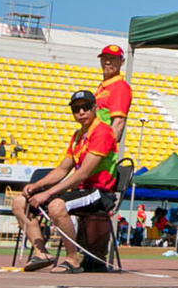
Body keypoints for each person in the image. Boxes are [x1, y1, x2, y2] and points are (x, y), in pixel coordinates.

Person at [8, 90, 121, 272]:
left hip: (99, 192)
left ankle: (72, 259)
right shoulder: (78, 136)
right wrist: (36, 186)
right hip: (80, 191)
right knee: (19, 202)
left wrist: (47, 193)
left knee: (56, 206)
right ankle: (41, 253)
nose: (81, 112)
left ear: (95, 108)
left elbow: (83, 173)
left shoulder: (102, 132)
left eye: (85, 107)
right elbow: (62, 169)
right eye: (76, 109)